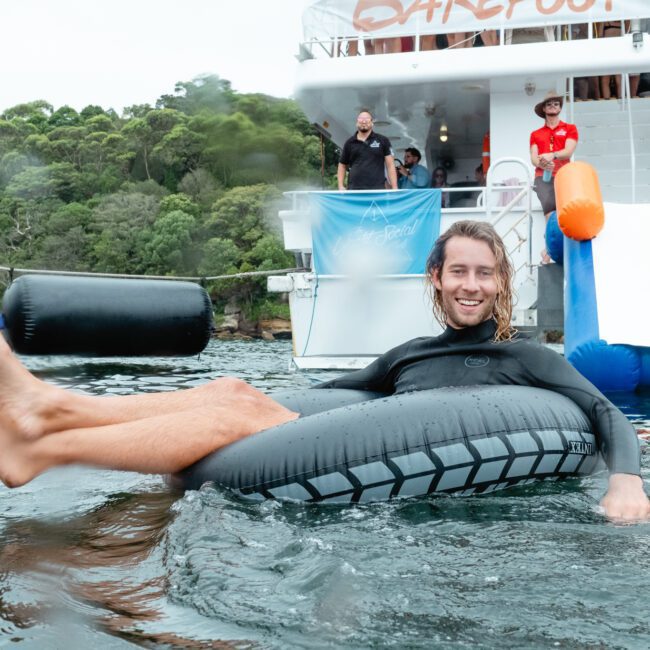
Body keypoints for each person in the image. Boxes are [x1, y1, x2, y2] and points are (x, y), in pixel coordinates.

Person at [0, 222, 648, 523]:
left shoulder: (524, 357)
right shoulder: (409, 357)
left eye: (484, 273)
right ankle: (45, 410)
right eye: (459, 271)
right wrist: (263, 409)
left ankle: (46, 443)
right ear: (437, 279)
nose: (471, 285)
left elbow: (601, 411)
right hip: (361, 444)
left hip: (452, 467)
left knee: (237, 412)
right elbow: (332, 396)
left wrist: (625, 482)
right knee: (233, 391)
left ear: (501, 283)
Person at [529, 90, 578, 261]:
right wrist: (542, 162)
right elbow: (534, 158)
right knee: (550, 214)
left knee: (565, 212)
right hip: (543, 177)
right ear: (543, 109)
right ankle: (549, 250)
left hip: (565, 176)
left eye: (556, 103)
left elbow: (568, 151)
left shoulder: (570, 128)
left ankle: (559, 248)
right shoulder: (535, 134)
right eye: (549, 104)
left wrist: (553, 155)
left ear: (560, 107)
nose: (553, 106)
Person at [338, 110, 397, 191]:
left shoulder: (383, 140)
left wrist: (394, 187)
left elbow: (390, 165)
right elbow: (342, 165)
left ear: (372, 123)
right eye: (361, 119)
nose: (364, 121)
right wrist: (340, 186)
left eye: (367, 119)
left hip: (377, 190)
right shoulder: (349, 143)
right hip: (354, 190)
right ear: (356, 123)